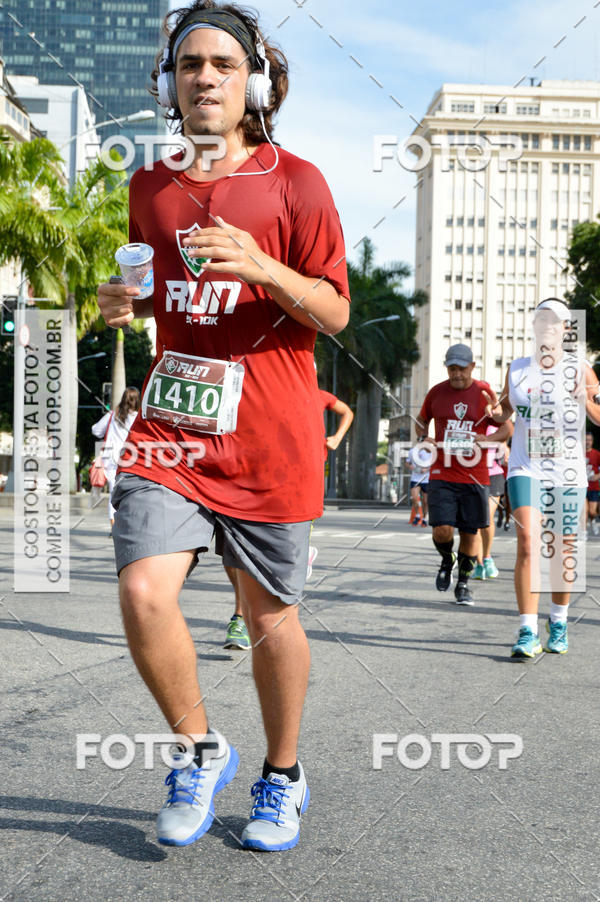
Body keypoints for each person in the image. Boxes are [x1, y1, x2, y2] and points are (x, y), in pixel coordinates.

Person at [96, 0, 350, 853]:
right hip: (174, 425)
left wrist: (264, 265)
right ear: (169, 83)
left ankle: (282, 775)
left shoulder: (296, 180)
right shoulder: (150, 187)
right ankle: (199, 749)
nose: (205, 77)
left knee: (270, 617)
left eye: (223, 65)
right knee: (141, 589)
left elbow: (337, 313)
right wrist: (117, 305)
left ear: (254, 81)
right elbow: (151, 295)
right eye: (189, 64)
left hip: (271, 433)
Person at [488, 298, 600, 657]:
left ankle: (559, 619)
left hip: (567, 471)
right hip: (526, 467)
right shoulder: (517, 369)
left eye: (555, 322)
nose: (547, 326)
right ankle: (526, 631)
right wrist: (494, 413)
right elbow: (504, 412)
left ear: (566, 329)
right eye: (542, 320)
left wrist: (584, 400)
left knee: (562, 551)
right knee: (527, 542)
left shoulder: (581, 369)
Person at [416, 343, 512, 606]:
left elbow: (506, 429)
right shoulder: (436, 393)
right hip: (442, 473)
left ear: (472, 366)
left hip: (476, 476)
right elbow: (421, 420)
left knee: (470, 534)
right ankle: (447, 560)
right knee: (442, 530)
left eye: (461, 368)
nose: (457, 373)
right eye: (452, 368)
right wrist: (425, 438)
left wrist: (487, 440)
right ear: (447, 367)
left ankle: (463, 585)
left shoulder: (484, 393)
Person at [91, 387, 140, 527]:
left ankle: (114, 524)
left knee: (114, 491)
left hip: (110, 458)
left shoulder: (113, 415)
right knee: (131, 492)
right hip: (130, 458)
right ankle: (128, 522)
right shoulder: (138, 418)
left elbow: (96, 430)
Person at [473, 426, 508, 579]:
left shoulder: (497, 426)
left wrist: (505, 451)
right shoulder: (471, 423)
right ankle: (479, 564)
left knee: (486, 516)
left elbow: (505, 448)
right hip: (473, 475)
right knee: (476, 522)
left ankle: (487, 557)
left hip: (494, 475)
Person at [406, 444, 430, 526]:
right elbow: (407, 463)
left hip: (426, 479)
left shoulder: (430, 452)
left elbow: (434, 464)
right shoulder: (411, 451)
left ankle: (424, 518)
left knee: (426, 501)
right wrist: (411, 467)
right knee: (415, 498)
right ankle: (417, 515)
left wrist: (426, 469)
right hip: (415, 479)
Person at [585, 432, 600, 535]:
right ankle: (584, 532)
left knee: (592, 511)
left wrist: (597, 476)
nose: (587, 442)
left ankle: (593, 520)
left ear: (592, 441)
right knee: (584, 511)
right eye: (585, 440)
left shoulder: (597, 454)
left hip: (594, 487)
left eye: (589, 440)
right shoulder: (579, 453)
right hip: (582, 487)